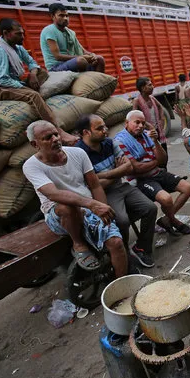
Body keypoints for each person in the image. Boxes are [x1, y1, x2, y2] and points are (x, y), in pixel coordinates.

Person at [23, 120, 127, 276]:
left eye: (56, 134)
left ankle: (123, 289)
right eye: (48, 137)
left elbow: (95, 186)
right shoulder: (31, 166)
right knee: (67, 206)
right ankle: (78, 244)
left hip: (87, 208)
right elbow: (53, 194)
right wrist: (92, 204)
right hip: (59, 215)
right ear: (35, 144)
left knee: (116, 243)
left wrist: (102, 210)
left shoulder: (78, 153)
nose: (55, 139)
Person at [75, 115, 158, 268]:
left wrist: (102, 175)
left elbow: (129, 167)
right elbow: (93, 185)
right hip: (104, 193)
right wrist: (116, 172)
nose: (105, 131)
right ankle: (124, 254)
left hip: (121, 186)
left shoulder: (110, 142)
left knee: (150, 208)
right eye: (99, 128)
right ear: (86, 132)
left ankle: (141, 248)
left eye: (105, 126)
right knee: (122, 220)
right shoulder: (79, 153)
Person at [0, 18, 78, 146]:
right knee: (33, 95)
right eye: (18, 34)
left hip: (13, 82)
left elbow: (33, 63)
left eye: (23, 33)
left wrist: (32, 74)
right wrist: (25, 88)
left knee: (41, 73)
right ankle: (59, 131)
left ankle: (37, 101)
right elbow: (2, 79)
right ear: (6, 33)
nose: (23, 36)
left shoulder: (17, 48)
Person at [115, 111, 190, 235]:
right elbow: (137, 168)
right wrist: (156, 162)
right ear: (127, 123)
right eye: (137, 122)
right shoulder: (120, 142)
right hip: (142, 180)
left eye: (143, 123)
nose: (140, 126)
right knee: (166, 199)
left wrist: (155, 141)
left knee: (187, 187)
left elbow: (163, 159)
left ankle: (166, 220)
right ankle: (174, 221)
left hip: (157, 173)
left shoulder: (147, 136)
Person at [40, 3, 105, 73]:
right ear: (53, 16)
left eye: (66, 16)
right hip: (56, 67)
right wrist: (82, 57)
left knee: (99, 59)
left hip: (72, 62)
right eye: (61, 15)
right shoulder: (49, 30)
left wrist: (92, 55)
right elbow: (57, 56)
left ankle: (96, 81)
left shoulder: (70, 32)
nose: (65, 18)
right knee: (81, 61)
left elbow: (83, 51)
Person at [132, 77, 167, 157]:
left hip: (157, 131)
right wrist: (147, 125)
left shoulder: (152, 98)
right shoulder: (137, 101)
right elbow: (135, 116)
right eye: (150, 85)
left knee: (163, 153)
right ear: (143, 88)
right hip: (147, 133)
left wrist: (161, 120)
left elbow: (160, 107)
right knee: (154, 155)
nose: (152, 87)